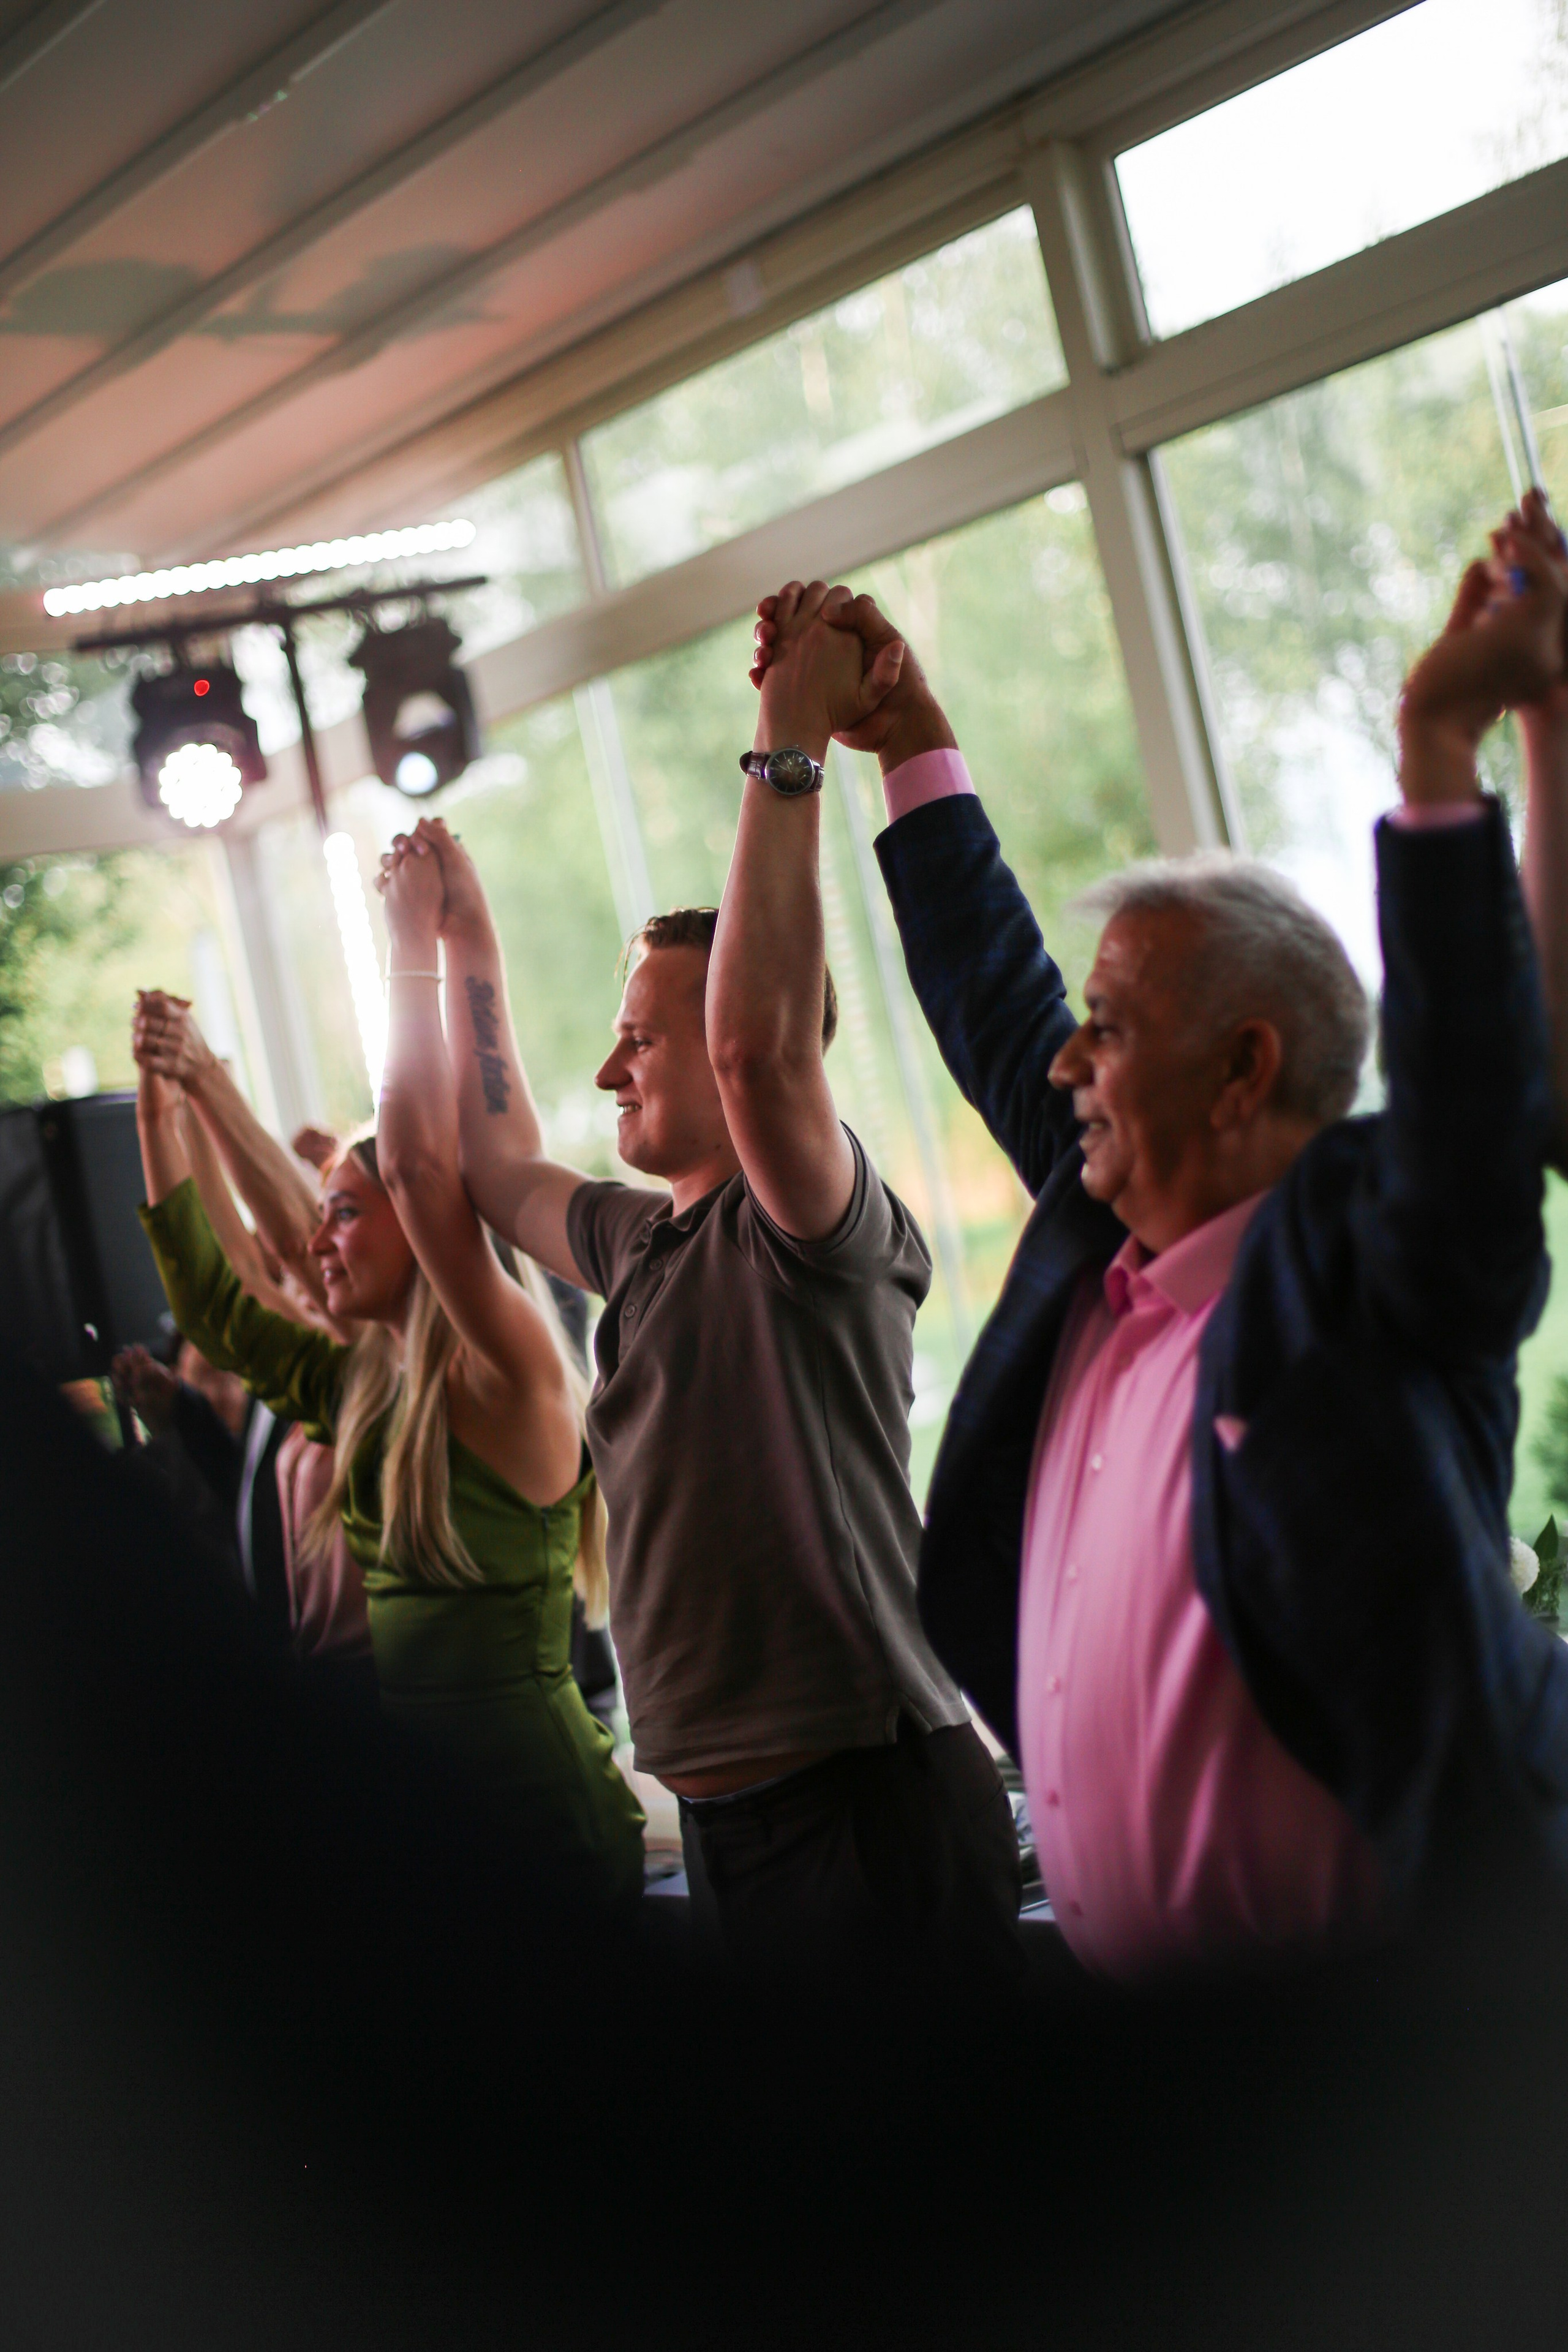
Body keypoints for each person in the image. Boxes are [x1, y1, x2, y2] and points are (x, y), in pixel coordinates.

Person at [746, 515, 1568, 1978]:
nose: (1069, 1067)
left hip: (1373, 2077)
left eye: (1110, 1031)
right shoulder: (1091, 1237)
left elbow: (1478, 1098)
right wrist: (907, 745)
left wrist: (1443, 748)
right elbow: (1000, 996)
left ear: (1242, 1070)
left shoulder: (1371, 1280)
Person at [403, 666, 1022, 1977]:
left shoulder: (811, 1221)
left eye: (641, 1039)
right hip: (719, 1814)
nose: (607, 1070)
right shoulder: (638, 1243)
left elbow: (759, 1055)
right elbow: (496, 1161)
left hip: (861, 1808)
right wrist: (467, 941)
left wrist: (784, 740)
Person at [131, 877, 645, 1912]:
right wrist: (155, 1092)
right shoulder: (364, 1391)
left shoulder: (515, 1374)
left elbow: (414, 1164)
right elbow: (211, 1303)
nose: (319, 1241)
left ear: (421, 1224)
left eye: (346, 1215)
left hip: (547, 1832)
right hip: (438, 1838)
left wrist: (416, 939)